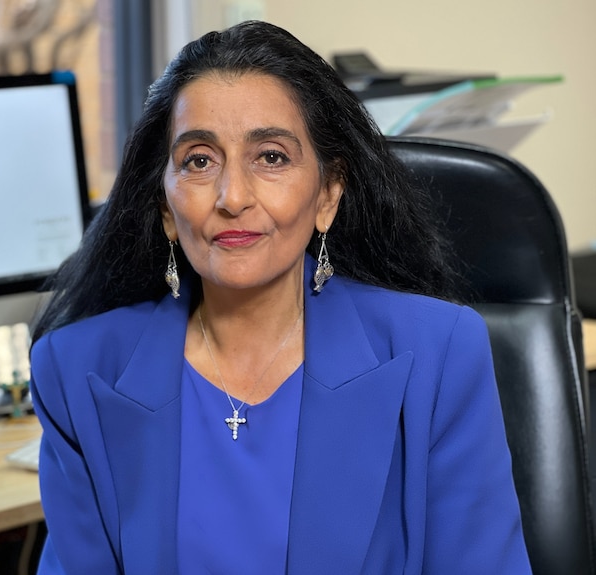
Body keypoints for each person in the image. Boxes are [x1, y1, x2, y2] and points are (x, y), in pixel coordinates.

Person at [29, 20, 531, 575]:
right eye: (199, 160)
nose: (233, 197)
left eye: (271, 157)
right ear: (167, 208)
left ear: (328, 195)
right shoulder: (76, 370)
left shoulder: (439, 353)